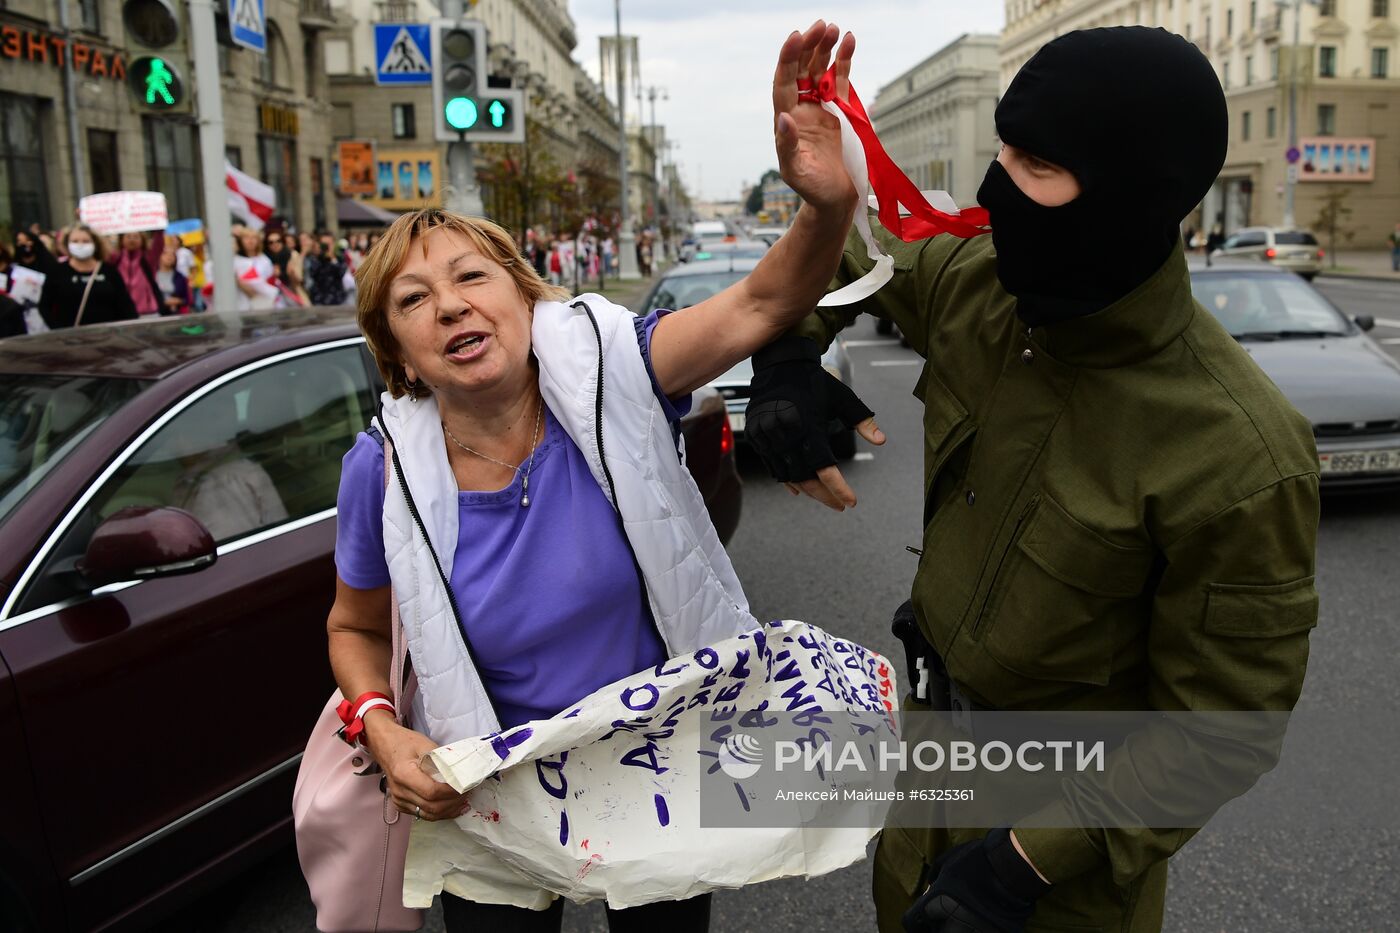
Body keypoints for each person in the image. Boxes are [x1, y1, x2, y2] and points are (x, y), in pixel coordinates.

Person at [742, 27, 1319, 933]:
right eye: (1003, 146)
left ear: (1136, 195)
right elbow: (852, 263)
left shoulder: (1237, 452)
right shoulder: (984, 289)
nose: (996, 187)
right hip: (925, 794)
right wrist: (784, 353)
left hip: (1055, 875)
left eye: (1038, 163)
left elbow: (1220, 726)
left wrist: (1016, 867)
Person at [324, 21, 858, 933]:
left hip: (654, 768)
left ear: (526, 301)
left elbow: (765, 300)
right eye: (414, 300)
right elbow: (353, 627)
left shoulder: (616, 367)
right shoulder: (380, 466)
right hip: (489, 790)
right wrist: (379, 722)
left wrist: (827, 206)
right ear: (400, 355)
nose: (450, 302)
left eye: (471, 276)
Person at [29, 224, 138, 328]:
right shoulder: (57, 272)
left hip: (107, 338)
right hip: (71, 340)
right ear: (67, 244)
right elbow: (44, 306)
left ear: (95, 244)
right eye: (75, 241)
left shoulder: (109, 271)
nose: (80, 245)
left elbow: (126, 305)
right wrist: (59, 331)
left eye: (86, 241)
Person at [115, 230, 166, 317]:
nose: (132, 240)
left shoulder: (149, 258)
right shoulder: (115, 259)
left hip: (147, 313)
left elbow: (158, 245)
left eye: (136, 237)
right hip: (121, 313)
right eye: (128, 236)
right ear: (121, 240)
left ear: (142, 240)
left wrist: (159, 230)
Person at [232, 226, 280, 311]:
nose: (250, 241)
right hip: (241, 306)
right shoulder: (235, 261)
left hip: (262, 306)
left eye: (254, 238)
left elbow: (270, 282)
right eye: (246, 238)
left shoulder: (265, 260)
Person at [264, 229, 307, 305]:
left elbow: (299, 279)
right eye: (271, 242)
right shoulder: (264, 259)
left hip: (292, 294)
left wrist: (291, 273)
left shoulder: (292, 255)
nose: (275, 244)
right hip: (272, 298)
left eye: (278, 241)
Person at [304, 235, 349, 306]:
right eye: (324, 244)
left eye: (329, 244)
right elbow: (312, 273)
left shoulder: (339, 257)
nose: (326, 247)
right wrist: (320, 257)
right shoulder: (315, 258)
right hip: (319, 299)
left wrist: (333, 259)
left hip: (337, 298)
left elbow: (341, 273)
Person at [153, 240, 193, 315]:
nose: (169, 257)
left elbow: (187, 299)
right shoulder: (153, 275)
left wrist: (178, 301)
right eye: (165, 254)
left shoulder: (180, 277)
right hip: (156, 313)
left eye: (172, 255)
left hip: (176, 313)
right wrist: (163, 302)